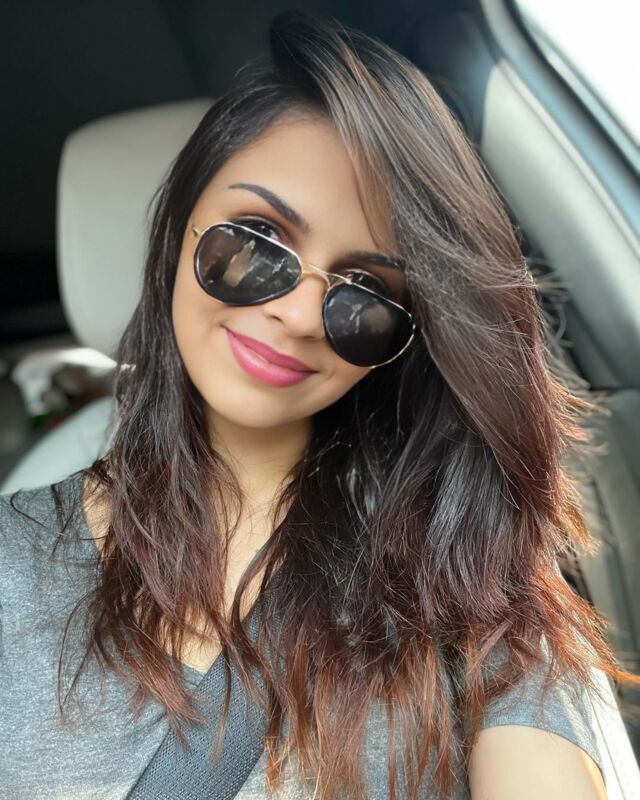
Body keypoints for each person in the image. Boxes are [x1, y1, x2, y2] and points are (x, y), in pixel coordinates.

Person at [1, 8, 637, 800]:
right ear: (179, 230)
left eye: (366, 289)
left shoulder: (461, 576)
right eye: (258, 241)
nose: (301, 314)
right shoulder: (12, 562)